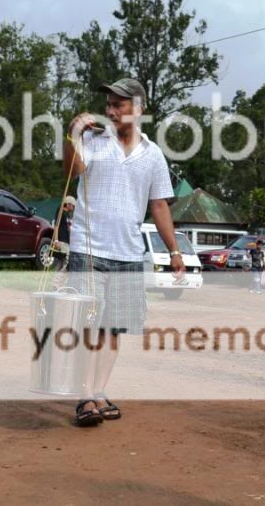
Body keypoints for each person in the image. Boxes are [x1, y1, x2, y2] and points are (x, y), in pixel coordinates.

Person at [63, 77, 185, 427]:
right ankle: (85, 395)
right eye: (109, 104)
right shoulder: (92, 140)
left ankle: (98, 391)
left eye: (119, 104)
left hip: (129, 253)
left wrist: (174, 251)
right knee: (89, 326)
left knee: (112, 329)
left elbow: (159, 205)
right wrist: (72, 135)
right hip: (89, 247)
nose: (111, 110)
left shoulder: (153, 154)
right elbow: (71, 172)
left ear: (139, 109)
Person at [51, 195, 76, 272]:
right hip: (61, 241)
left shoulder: (67, 214)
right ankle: (59, 281)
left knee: (61, 262)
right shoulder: (61, 212)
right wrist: (56, 240)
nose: (74, 207)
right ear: (68, 204)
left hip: (66, 241)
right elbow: (56, 226)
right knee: (66, 263)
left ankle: (56, 282)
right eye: (73, 205)